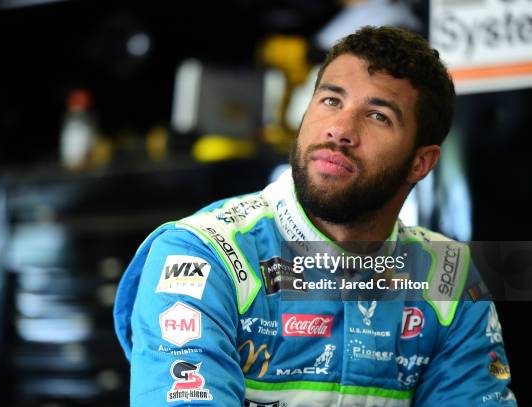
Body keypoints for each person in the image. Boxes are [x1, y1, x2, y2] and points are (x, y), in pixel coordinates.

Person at [113, 26, 517, 406]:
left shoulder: (449, 276)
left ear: (420, 163)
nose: (340, 129)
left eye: (378, 116)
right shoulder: (202, 255)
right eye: (330, 100)